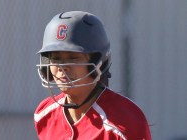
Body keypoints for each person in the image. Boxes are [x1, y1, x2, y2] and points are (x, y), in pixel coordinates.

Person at [34, 11, 151, 140]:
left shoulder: (125, 121)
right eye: (56, 58)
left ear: (97, 63)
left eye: (73, 58)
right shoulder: (44, 114)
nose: (62, 67)